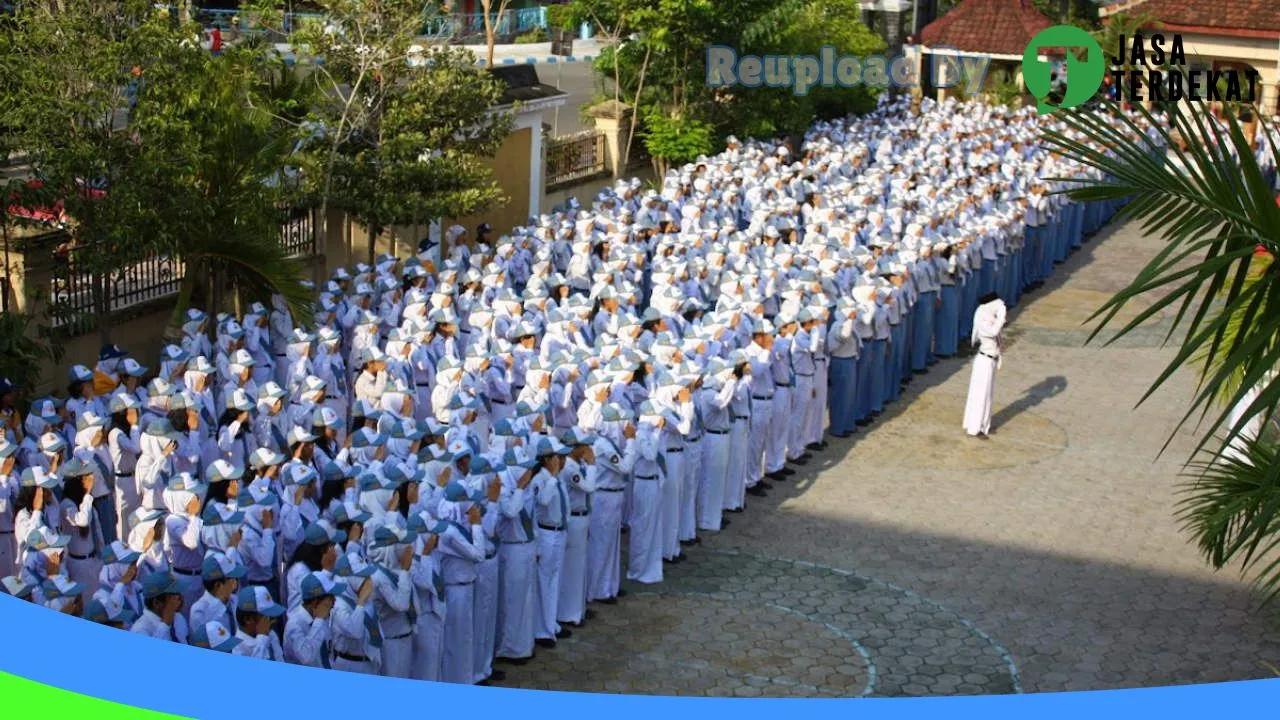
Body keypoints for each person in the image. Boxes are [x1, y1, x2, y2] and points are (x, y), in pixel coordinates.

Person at [963, 292, 1007, 439]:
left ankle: (984, 425)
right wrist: (1001, 316)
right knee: (980, 396)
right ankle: (974, 428)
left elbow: (999, 341)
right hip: (984, 361)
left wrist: (999, 358)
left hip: (991, 360)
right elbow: (993, 332)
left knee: (988, 395)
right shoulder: (983, 322)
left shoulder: (990, 319)